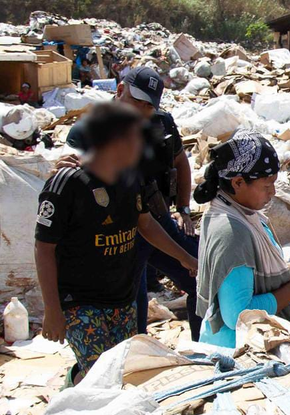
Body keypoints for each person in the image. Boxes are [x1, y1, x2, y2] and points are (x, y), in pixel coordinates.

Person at [35, 102, 197, 379]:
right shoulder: (68, 184)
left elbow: (145, 223)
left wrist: (184, 257)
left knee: (121, 370)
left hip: (121, 300)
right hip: (81, 302)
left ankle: (77, 385)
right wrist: (52, 309)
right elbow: (44, 248)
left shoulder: (130, 178)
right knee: (102, 376)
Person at [63, 67, 200, 340]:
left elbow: (180, 162)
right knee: (131, 317)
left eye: (148, 105)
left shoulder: (160, 124)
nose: (140, 110)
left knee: (203, 278)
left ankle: (207, 350)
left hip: (156, 221)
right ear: (119, 91)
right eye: (136, 101)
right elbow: (71, 173)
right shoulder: (88, 130)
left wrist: (183, 209)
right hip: (122, 235)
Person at [195, 130, 290, 348]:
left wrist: (288, 271)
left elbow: (249, 273)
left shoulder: (244, 213)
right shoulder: (231, 232)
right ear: (238, 183)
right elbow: (237, 315)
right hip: (242, 352)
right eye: (267, 185)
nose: (273, 192)